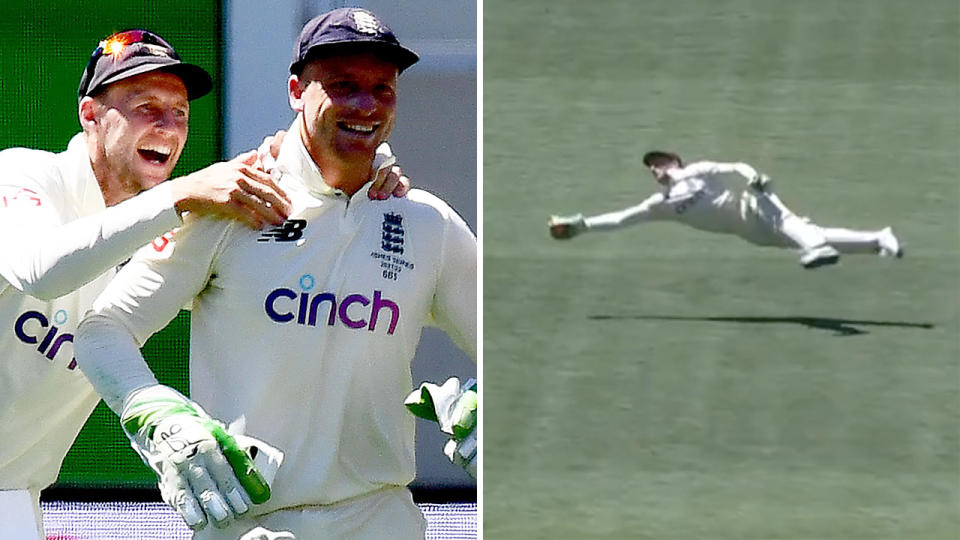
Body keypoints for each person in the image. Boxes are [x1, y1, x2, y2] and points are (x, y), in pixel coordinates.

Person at [75, 8, 476, 540]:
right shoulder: (230, 200)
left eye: (383, 89)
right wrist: (155, 415)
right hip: (248, 526)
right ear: (295, 90)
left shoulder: (426, 221)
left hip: (383, 522)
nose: (365, 106)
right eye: (342, 86)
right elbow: (103, 331)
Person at [0, 28, 411, 539]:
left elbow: (275, 286)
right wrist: (185, 191)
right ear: (90, 115)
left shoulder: (163, 226)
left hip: (14, 503)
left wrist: (350, 183)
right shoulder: (22, 176)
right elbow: (41, 270)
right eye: (146, 106)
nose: (167, 126)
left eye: (180, 113)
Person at [548, 150, 903, 268]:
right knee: (815, 235)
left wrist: (755, 177)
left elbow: (735, 166)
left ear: (673, 159)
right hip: (747, 232)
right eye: (651, 168)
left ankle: (817, 249)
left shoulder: (695, 170)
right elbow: (622, 219)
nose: (655, 170)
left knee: (792, 224)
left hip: (751, 201)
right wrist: (581, 225)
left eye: (658, 162)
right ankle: (878, 240)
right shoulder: (662, 205)